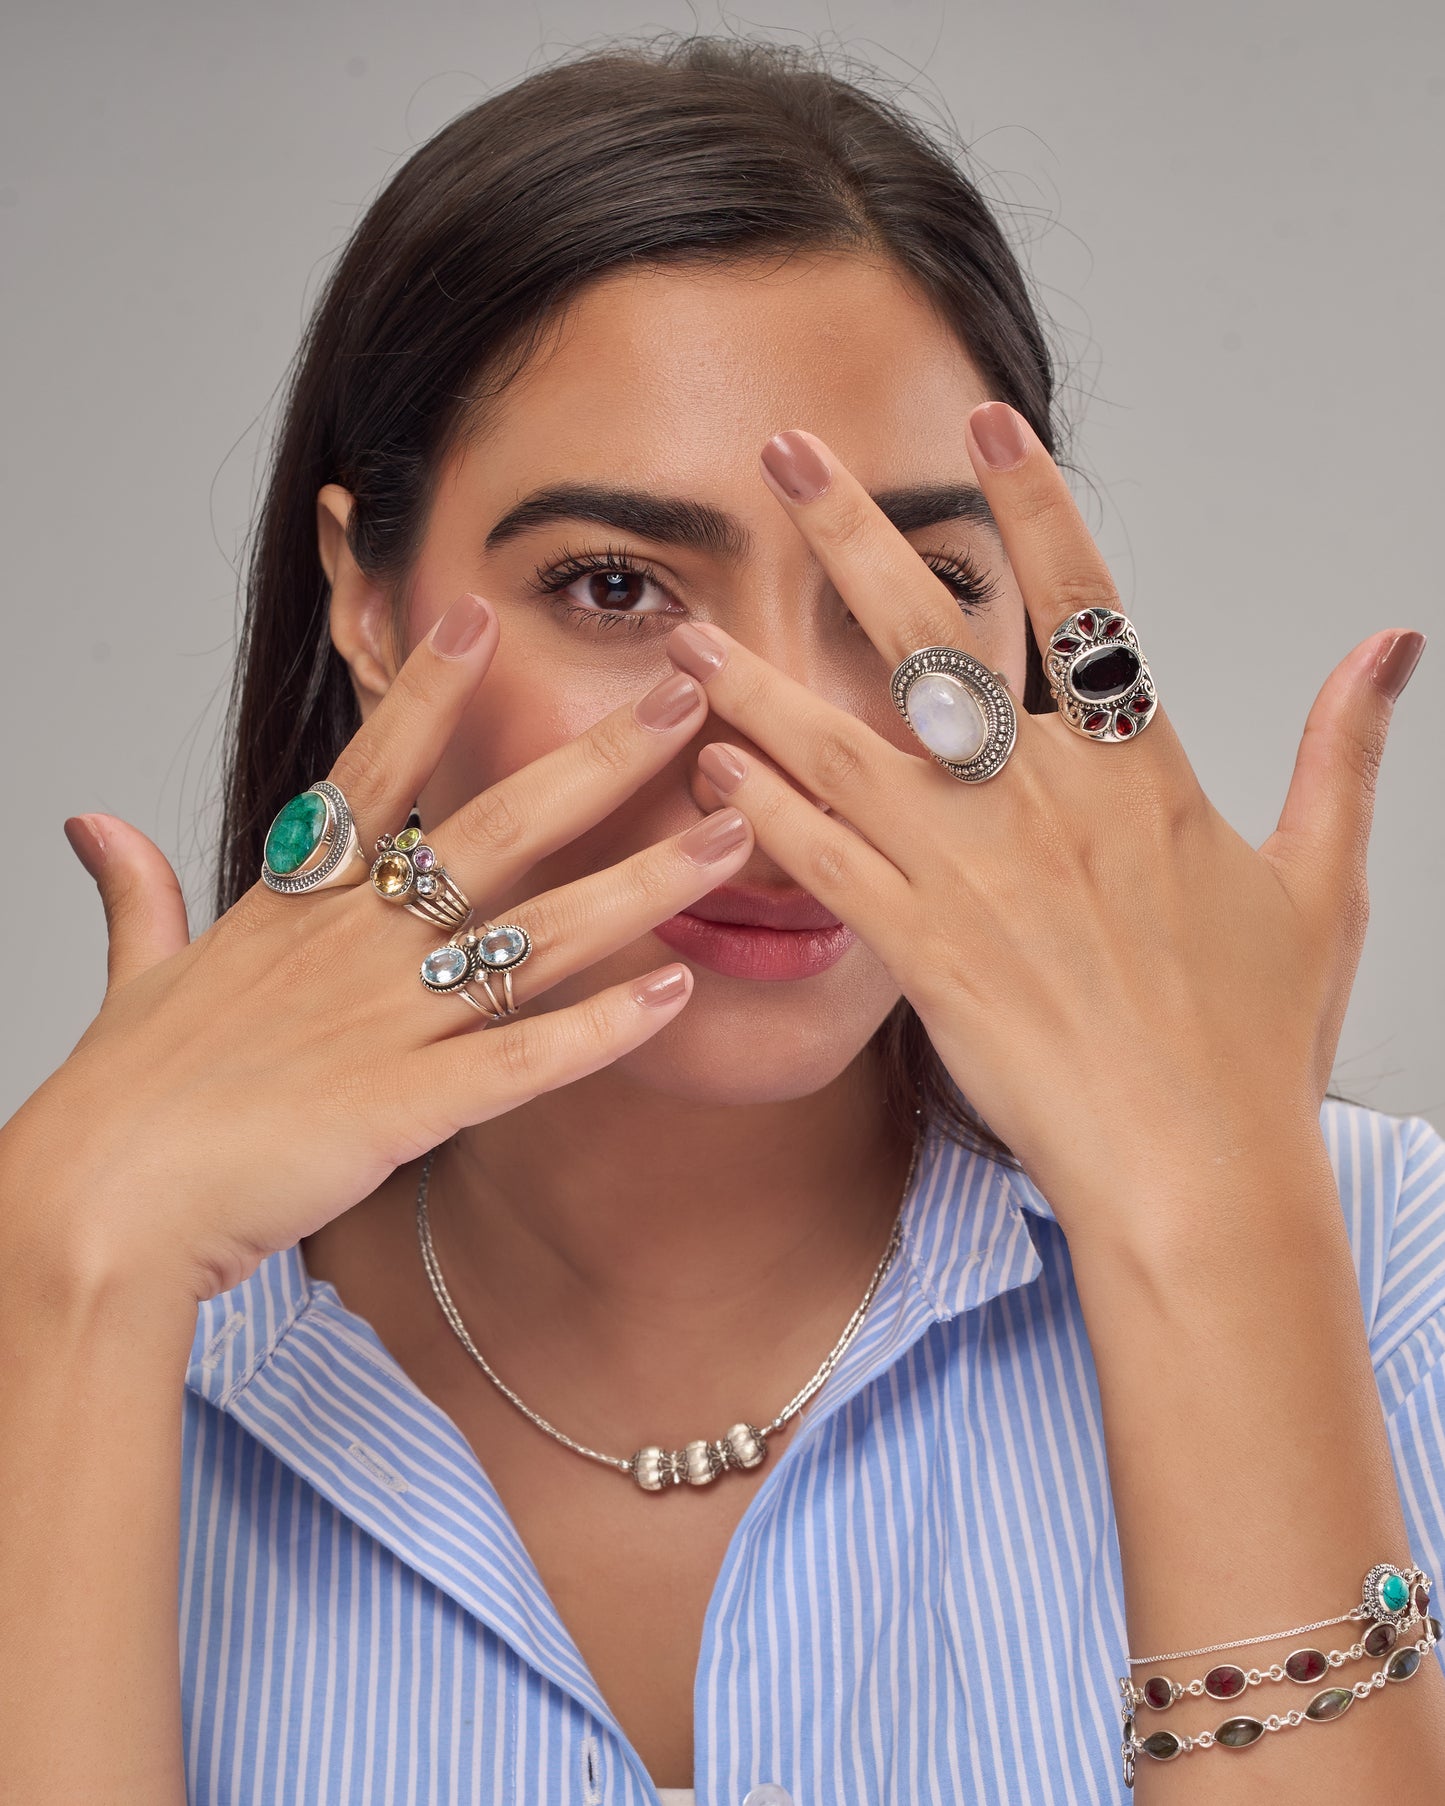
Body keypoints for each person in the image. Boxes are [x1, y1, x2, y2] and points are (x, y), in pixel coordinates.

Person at [2, 30, 1442, 1806]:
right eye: (616, 586)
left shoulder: (1383, 1280)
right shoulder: (74, 1306)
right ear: (367, 604)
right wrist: (62, 1291)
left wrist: (1219, 1230)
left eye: (907, 585)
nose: (783, 746)